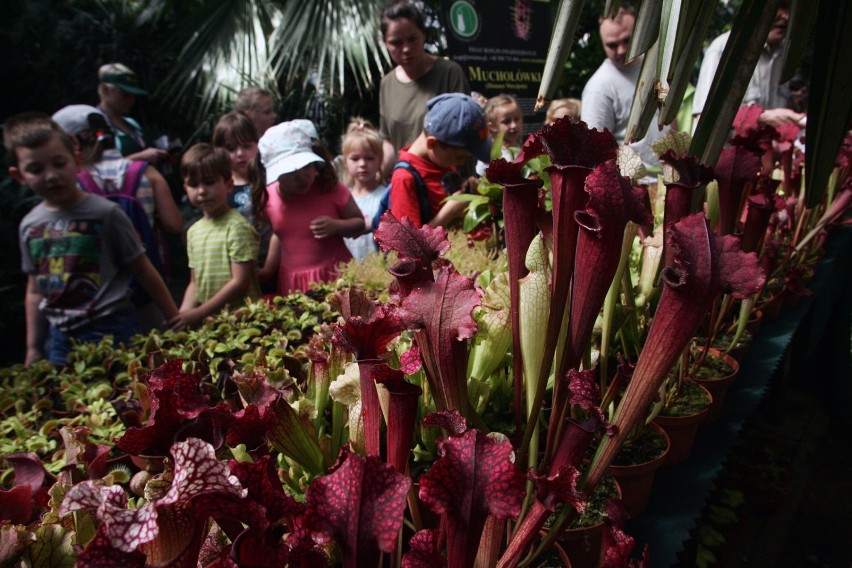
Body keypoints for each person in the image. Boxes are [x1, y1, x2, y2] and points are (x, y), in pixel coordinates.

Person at [6, 113, 178, 367]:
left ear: (76, 160)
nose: (51, 175)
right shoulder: (30, 226)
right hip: (60, 339)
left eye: (58, 163)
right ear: (19, 175)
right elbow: (34, 289)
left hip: (113, 327)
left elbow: (142, 268)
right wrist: (33, 348)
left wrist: (174, 319)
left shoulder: (106, 214)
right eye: (36, 169)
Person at [51, 104, 183, 332]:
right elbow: (174, 224)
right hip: (149, 290)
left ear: (71, 143)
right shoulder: (146, 172)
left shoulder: (74, 183)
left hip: (99, 299)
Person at [251, 120, 368, 295]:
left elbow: (359, 223)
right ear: (275, 173)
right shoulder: (267, 198)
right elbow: (280, 233)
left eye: (306, 166)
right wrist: (268, 269)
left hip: (336, 275)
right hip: (294, 281)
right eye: (290, 171)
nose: (301, 176)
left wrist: (337, 226)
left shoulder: (329, 188)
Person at [168, 144, 261, 330]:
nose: (202, 191)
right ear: (185, 188)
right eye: (194, 184)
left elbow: (240, 283)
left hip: (244, 322)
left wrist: (199, 313)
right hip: (210, 325)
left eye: (209, 182)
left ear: (228, 184)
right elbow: (195, 283)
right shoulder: (193, 232)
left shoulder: (237, 227)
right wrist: (182, 318)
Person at [379, 1, 470, 177]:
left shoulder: (449, 73)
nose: (406, 49)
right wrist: (375, 177)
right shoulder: (387, 84)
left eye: (412, 39)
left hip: (448, 187)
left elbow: (464, 135)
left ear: (423, 35)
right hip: (408, 185)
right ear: (385, 43)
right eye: (396, 43)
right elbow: (389, 141)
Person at [581, 6, 665, 171]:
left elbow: (668, 117)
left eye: (627, 40)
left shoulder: (657, 67)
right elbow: (594, 152)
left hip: (668, 180)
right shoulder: (598, 88)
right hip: (635, 187)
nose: (621, 50)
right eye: (612, 45)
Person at [388, 93, 491, 228]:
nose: (461, 163)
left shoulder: (441, 162)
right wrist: (449, 212)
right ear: (432, 144)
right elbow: (408, 247)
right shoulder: (404, 179)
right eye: (460, 157)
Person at [692, 4, 804, 128]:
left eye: (791, 9)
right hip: (726, 147)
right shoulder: (724, 50)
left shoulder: (786, 55)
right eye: (781, 6)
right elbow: (704, 118)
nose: (787, 16)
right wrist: (764, 118)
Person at [96, 63, 168, 164]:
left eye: (133, 95)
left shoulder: (132, 123)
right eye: (125, 94)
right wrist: (140, 158)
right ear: (105, 89)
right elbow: (96, 168)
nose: (131, 100)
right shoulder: (95, 125)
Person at [340, 118, 386, 260]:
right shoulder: (341, 197)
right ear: (345, 162)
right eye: (355, 158)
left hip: (378, 269)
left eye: (369, 158)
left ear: (380, 160)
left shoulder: (385, 196)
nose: (362, 164)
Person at [477, 94, 524, 175]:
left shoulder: (523, 149)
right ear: (492, 126)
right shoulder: (489, 153)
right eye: (506, 121)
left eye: (516, 119)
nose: (514, 125)